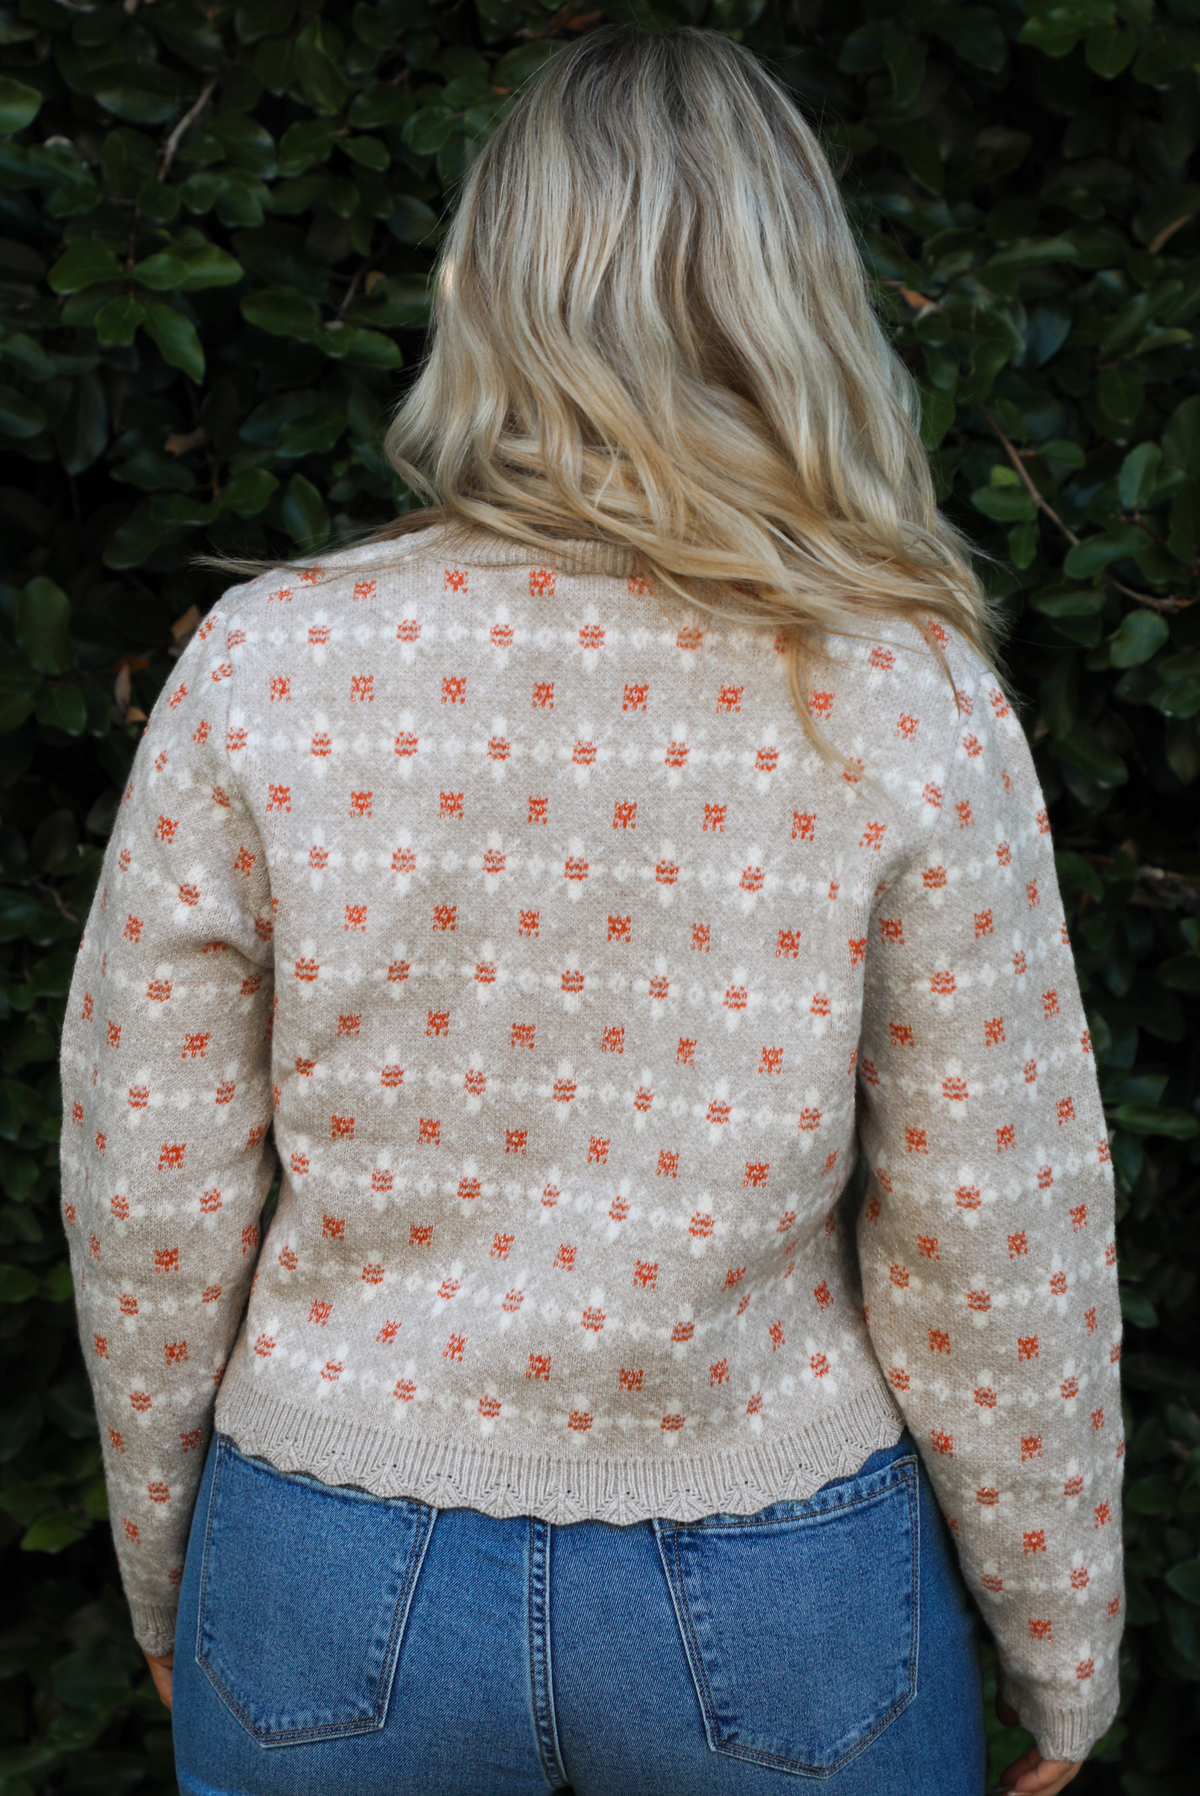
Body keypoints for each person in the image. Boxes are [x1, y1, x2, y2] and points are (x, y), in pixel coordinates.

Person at [61, 25, 1122, 1796]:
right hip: (781, 1580)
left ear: (489, 289)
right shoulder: (899, 691)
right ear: (797, 296)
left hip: (332, 1554)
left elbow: (144, 1175)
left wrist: (172, 1554)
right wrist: (1060, 1636)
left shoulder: (275, 665)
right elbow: (994, 1218)